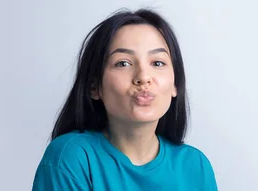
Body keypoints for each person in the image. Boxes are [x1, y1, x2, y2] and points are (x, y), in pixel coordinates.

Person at [32, 8, 218, 190]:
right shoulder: (71, 158)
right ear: (94, 87)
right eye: (123, 63)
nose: (143, 77)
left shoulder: (195, 166)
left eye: (157, 63)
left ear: (175, 84)